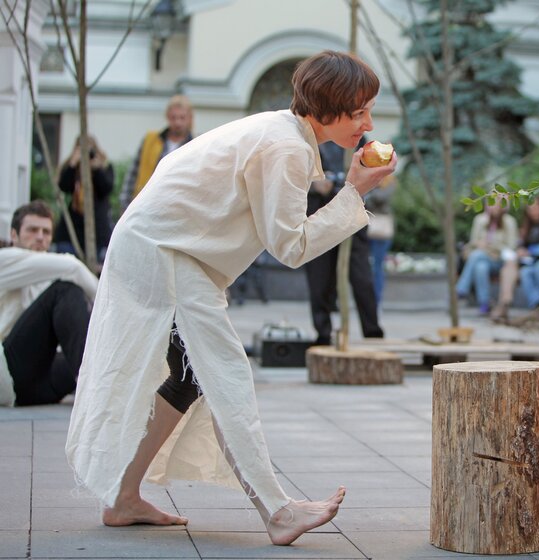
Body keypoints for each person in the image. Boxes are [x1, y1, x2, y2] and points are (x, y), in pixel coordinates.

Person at [65, 51, 397, 546]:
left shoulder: (285, 134)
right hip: (164, 253)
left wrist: (349, 190)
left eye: (368, 110)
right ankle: (278, 511)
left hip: (164, 248)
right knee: (223, 370)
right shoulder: (286, 146)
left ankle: (122, 497)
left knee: (186, 378)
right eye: (358, 111)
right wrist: (353, 192)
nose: (368, 123)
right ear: (326, 107)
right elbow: (291, 246)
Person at [0, 201, 98, 407]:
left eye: (46, 232)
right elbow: (73, 267)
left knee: (97, 360)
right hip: (7, 372)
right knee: (66, 289)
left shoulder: (50, 273)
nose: (40, 237)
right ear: (14, 235)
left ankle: (105, 387)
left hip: (33, 386)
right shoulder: (4, 260)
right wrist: (110, 305)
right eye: (32, 230)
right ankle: (94, 390)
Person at [304, 139, 384, 346]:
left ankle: (372, 332)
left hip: (351, 218)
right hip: (319, 217)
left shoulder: (357, 139)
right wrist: (314, 187)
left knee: (362, 278)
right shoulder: (309, 139)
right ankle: (323, 333)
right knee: (320, 279)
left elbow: (372, 179)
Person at [119, 94, 194, 211]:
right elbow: (134, 171)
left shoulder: (194, 145)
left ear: (189, 118)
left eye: (182, 118)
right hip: (146, 204)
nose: (178, 122)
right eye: (174, 118)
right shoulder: (151, 139)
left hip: (178, 207)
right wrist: (125, 202)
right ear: (167, 117)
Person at [455, 200, 519, 315]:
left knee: (477, 255)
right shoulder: (480, 220)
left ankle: (461, 289)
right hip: (481, 257)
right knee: (480, 267)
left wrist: (491, 245)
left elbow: (511, 246)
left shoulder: (509, 221)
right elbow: (472, 241)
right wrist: (478, 244)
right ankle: (484, 303)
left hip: (499, 260)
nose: (493, 206)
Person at [364, 174, 396, 307]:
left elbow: (380, 198)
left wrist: (370, 189)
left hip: (381, 230)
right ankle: (367, 300)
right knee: (365, 267)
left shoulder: (390, 180)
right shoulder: (368, 178)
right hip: (365, 227)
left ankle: (376, 301)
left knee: (378, 267)